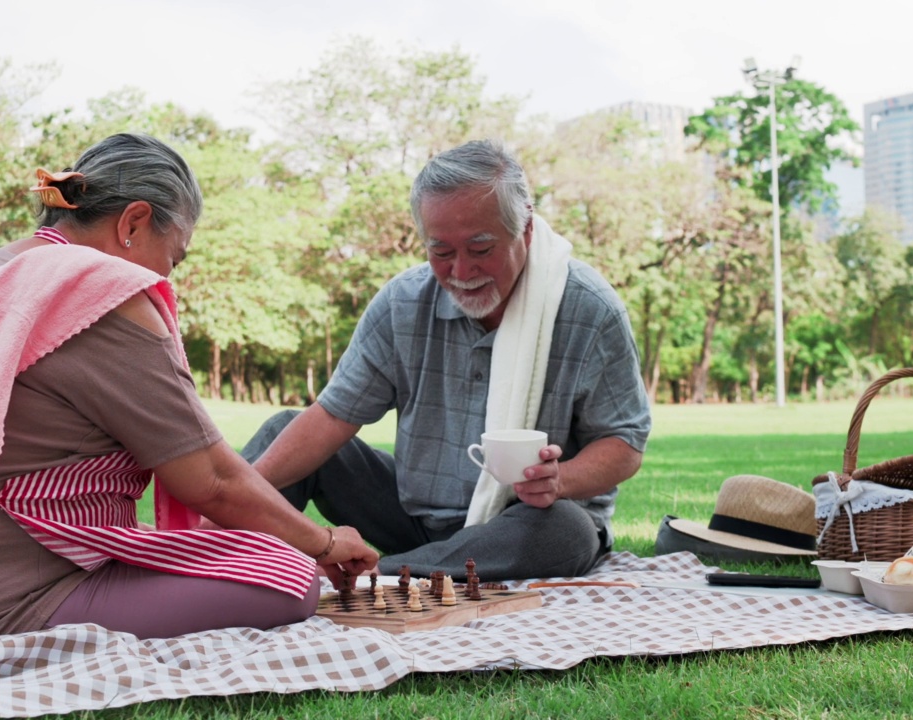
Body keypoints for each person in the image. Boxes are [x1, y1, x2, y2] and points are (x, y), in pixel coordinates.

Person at [0, 133, 377, 646]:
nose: (166, 278)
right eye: (173, 258)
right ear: (133, 222)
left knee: (250, 555)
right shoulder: (96, 294)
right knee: (289, 579)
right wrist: (324, 541)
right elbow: (211, 480)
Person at [243, 139, 651, 581]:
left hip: (522, 523)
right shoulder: (402, 303)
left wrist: (559, 480)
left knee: (567, 531)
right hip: (411, 518)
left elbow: (625, 443)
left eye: (480, 249)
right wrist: (241, 495)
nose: (461, 271)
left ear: (526, 230)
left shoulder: (589, 309)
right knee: (284, 430)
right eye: (441, 252)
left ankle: (369, 574)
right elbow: (331, 419)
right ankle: (209, 553)